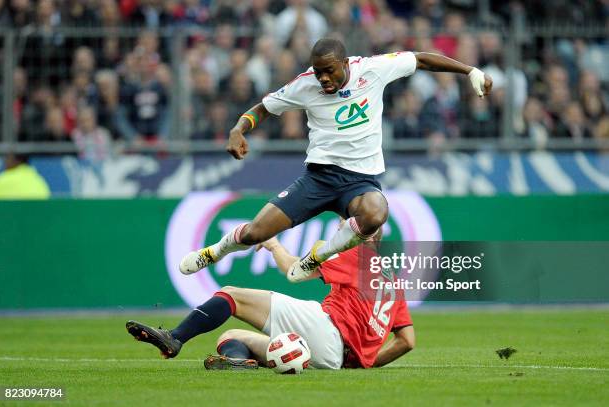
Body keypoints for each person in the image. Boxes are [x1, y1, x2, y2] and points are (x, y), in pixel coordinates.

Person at [179, 37, 492, 282]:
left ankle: (318, 255)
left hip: (360, 181)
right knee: (255, 233)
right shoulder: (304, 85)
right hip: (319, 178)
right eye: (318, 72)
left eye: (330, 71)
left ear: (346, 63)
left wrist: (470, 71)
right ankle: (213, 252)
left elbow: (421, 58)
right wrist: (237, 129)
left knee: (376, 213)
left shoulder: (373, 69)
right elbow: (263, 107)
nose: (324, 78)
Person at [126, 223, 415, 370]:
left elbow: (294, 270)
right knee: (231, 338)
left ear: (362, 231)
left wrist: (275, 245)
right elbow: (406, 341)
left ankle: (175, 338)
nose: (341, 226)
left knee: (231, 296)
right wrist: (364, 363)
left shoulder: (356, 252)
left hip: (327, 331)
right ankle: (239, 364)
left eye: (345, 223)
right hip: (333, 360)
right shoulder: (392, 281)